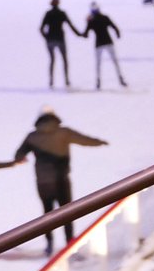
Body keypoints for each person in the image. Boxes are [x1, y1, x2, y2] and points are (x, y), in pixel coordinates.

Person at [14, 109, 108, 256]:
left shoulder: (32, 136)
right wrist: (99, 142)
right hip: (61, 180)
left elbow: (19, 155)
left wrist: (20, 159)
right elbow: (83, 140)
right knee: (67, 212)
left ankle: (49, 243)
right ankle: (70, 243)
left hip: (43, 181)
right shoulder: (64, 132)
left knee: (47, 214)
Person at [39, 0, 82, 88]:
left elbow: (41, 28)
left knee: (52, 60)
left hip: (50, 39)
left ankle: (51, 81)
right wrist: (79, 34)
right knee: (64, 60)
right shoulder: (62, 13)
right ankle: (66, 80)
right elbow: (70, 25)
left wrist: (46, 37)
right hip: (60, 39)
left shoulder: (48, 14)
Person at [84, 2, 126, 90]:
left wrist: (87, 22)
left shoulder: (92, 20)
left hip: (99, 44)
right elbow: (114, 27)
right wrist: (118, 34)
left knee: (98, 64)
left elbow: (85, 34)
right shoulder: (104, 17)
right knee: (115, 61)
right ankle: (120, 78)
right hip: (108, 41)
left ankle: (98, 81)